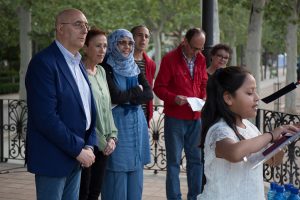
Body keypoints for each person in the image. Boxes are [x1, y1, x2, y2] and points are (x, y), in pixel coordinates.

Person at [25, 8, 97, 200]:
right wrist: (78, 149)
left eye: (86, 25)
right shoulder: (43, 63)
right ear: (60, 28)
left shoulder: (79, 63)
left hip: (77, 157)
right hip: (53, 158)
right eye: (78, 24)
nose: (84, 30)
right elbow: (46, 118)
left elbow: (87, 110)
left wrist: (89, 145)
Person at [198, 66, 300, 200]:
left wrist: (282, 141)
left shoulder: (251, 128)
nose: (257, 97)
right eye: (250, 93)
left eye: (255, 92)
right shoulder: (219, 130)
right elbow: (234, 153)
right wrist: (270, 135)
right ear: (228, 98)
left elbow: (273, 161)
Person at [153, 28, 208, 200]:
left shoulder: (201, 59)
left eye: (201, 49)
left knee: (196, 162)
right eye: (194, 48)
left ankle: (194, 197)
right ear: (185, 41)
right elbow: (159, 88)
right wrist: (173, 98)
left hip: (195, 118)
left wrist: (203, 96)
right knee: (173, 163)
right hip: (175, 119)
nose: (197, 52)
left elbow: (204, 81)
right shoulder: (169, 59)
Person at [100, 29, 153, 200]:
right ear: (113, 44)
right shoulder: (105, 66)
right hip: (117, 125)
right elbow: (115, 96)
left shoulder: (134, 66)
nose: (127, 47)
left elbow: (148, 95)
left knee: (136, 174)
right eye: (122, 42)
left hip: (137, 124)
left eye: (130, 43)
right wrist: (135, 91)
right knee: (117, 173)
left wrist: (129, 96)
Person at [79, 28, 118, 200]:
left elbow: (107, 109)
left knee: (95, 192)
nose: (103, 50)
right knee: (83, 193)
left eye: (105, 46)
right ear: (86, 48)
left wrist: (113, 138)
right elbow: (82, 114)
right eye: (97, 46)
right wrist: (103, 142)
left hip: (105, 145)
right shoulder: (78, 72)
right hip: (87, 144)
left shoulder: (101, 71)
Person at [131, 25, 156, 125]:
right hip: (126, 112)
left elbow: (149, 89)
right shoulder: (122, 62)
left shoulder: (151, 64)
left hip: (144, 114)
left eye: (146, 36)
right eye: (139, 35)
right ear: (131, 37)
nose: (143, 39)